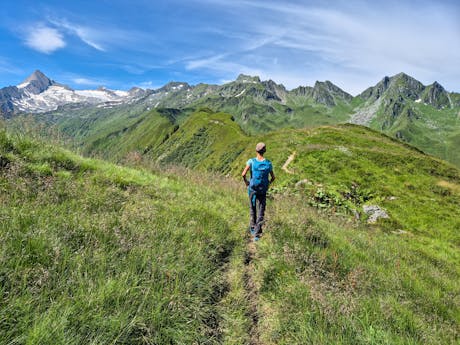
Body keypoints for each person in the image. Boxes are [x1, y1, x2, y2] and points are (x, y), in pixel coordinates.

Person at [241, 142, 275, 241]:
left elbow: (243, 174)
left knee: (253, 208)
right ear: (264, 151)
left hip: (252, 189)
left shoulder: (251, 161)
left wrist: (247, 182)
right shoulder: (268, 163)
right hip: (262, 190)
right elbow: (273, 177)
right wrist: (268, 183)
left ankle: (252, 228)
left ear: (256, 150)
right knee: (261, 210)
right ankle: (257, 232)